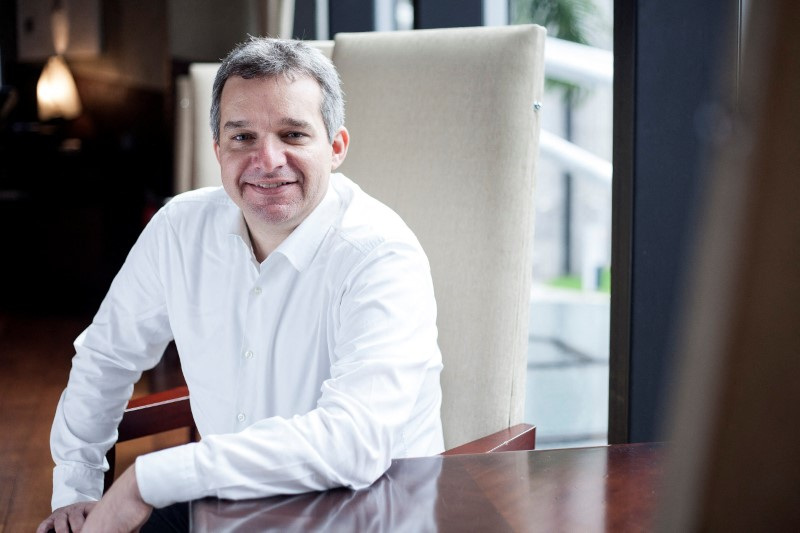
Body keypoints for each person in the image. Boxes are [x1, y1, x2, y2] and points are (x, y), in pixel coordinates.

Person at [37, 37, 443, 533]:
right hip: (223, 509)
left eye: (293, 134)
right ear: (218, 150)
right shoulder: (179, 230)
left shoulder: (381, 256)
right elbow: (105, 358)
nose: (267, 160)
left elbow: (353, 442)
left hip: (361, 515)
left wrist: (151, 477)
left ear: (336, 147)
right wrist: (76, 493)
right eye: (242, 137)